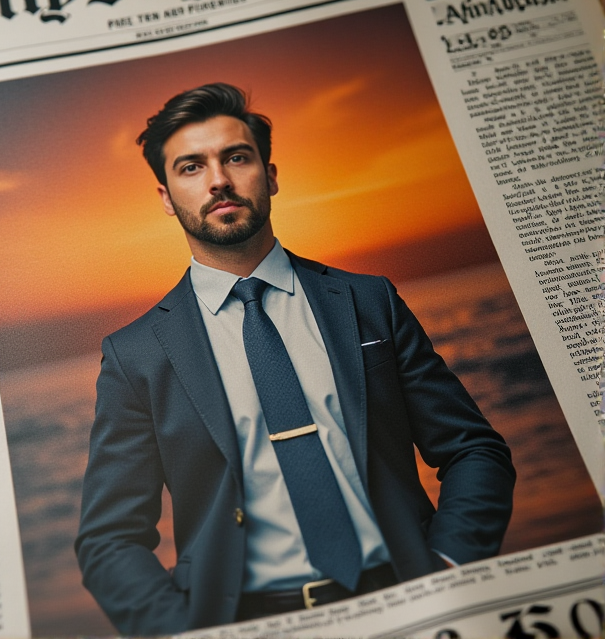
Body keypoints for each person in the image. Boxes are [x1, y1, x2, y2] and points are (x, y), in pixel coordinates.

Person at [75, 82, 515, 636]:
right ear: (166, 197)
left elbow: (473, 449)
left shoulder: (367, 300)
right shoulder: (134, 354)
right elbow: (109, 538)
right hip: (250, 620)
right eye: (191, 167)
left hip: (408, 596)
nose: (218, 181)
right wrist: (181, 630)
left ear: (271, 174)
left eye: (236, 157)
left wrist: (448, 565)